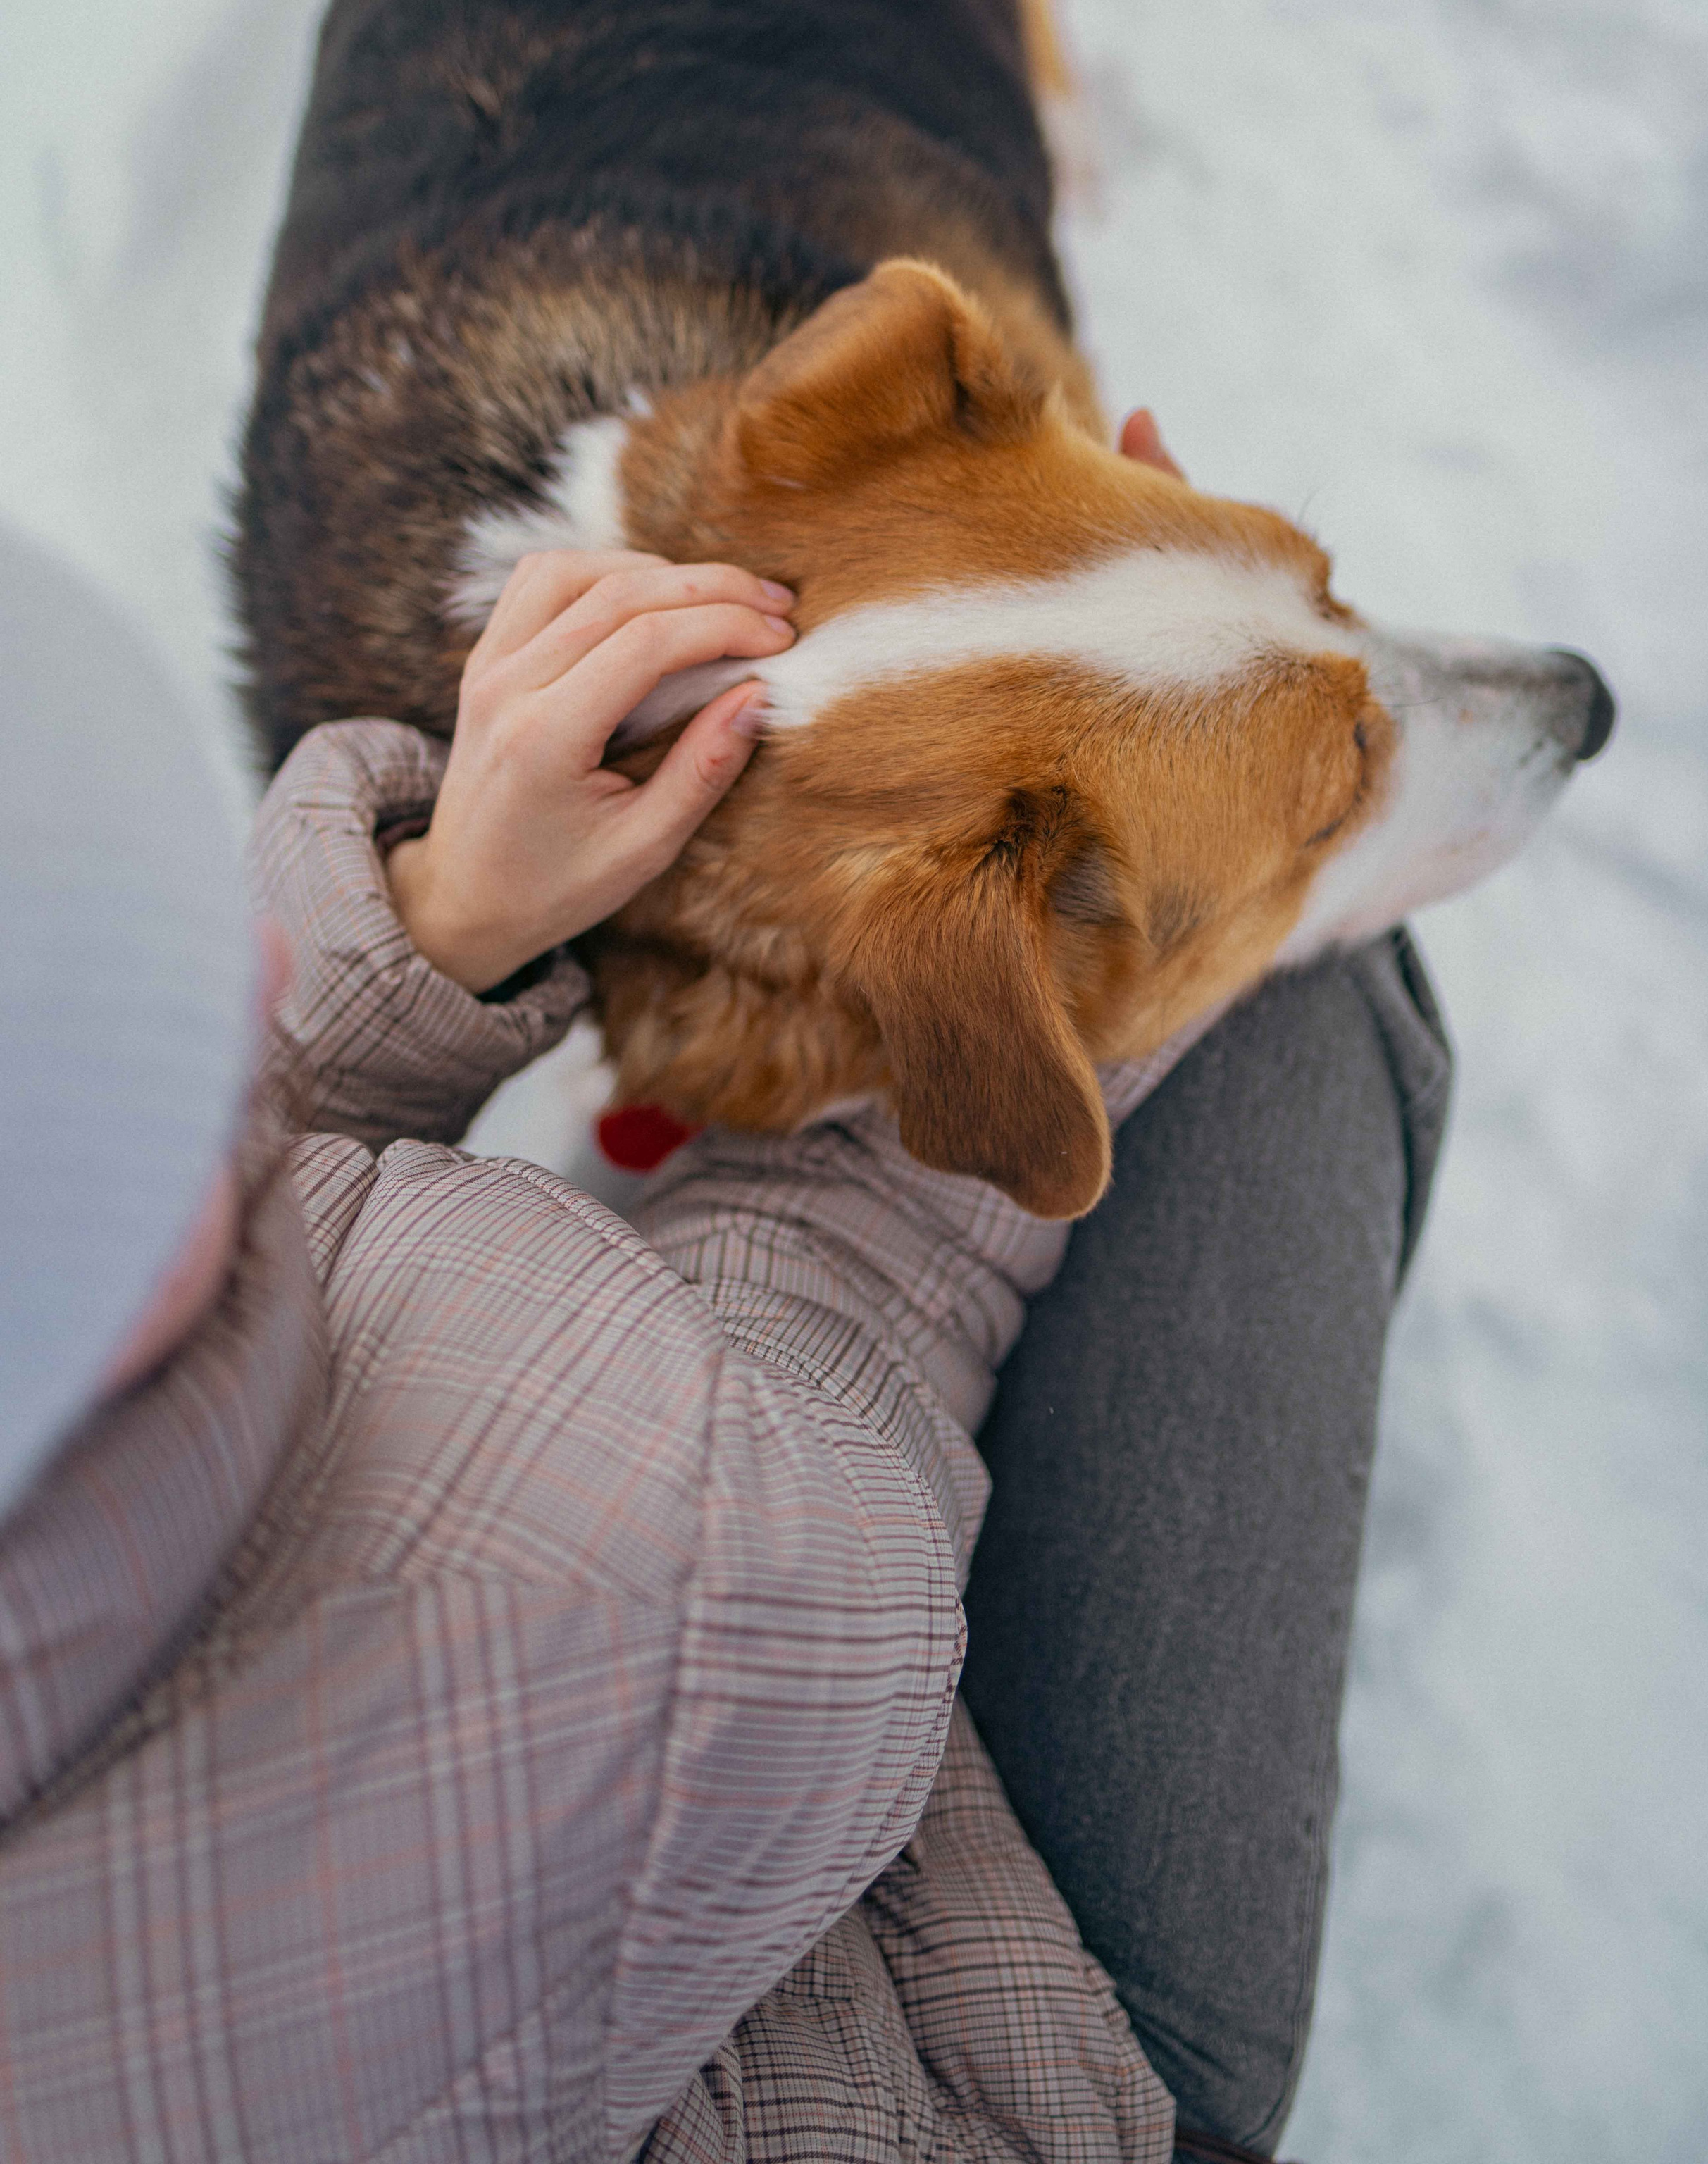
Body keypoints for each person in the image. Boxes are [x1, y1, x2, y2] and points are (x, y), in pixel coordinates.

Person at [0, 504, 1447, 2161]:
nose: (253, 965)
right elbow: (864, 1260)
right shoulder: (615, 1552)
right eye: (164, 1050)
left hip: (673, 1678)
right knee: (1277, 967)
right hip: (954, 2032)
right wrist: (1129, 793)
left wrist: (440, 912)